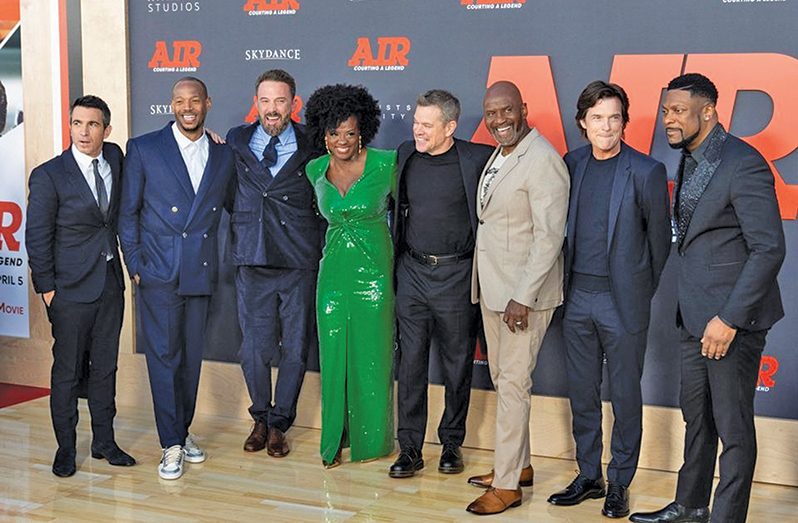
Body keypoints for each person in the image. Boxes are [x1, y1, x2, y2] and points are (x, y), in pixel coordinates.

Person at [629, 74, 786, 523]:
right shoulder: (692, 158)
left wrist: (729, 319)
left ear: (709, 112)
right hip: (693, 318)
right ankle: (691, 505)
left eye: (678, 111)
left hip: (732, 323)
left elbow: (769, 248)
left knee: (734, 430)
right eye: (665, 111)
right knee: (698, 421)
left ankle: (725, 517)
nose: (669, 120)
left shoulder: (743, 162)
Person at [546, 81, 671, 518]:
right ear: (583, 123)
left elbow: (660, 246)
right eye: (597, 117)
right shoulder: (572, 164)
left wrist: (636, 294)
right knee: (581, 392)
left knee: (624, 396)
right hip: (576, 296)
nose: (606, 125)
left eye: (614, 117)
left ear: (624, 122)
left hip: (622, 305)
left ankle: (620, 481)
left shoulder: (646, 171)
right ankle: (589, 475)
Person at [119, 77, 235, 480]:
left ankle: (181, 432)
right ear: (171, 105)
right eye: (180, 101)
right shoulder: (144, 148)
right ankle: (170, 443)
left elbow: (234, 206)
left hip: (199, 268)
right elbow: (127, 211)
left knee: (189, 359)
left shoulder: (223, 154)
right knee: (164, 358)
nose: (188, 107)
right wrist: (135, 262)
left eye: (195, 100)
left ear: (207, 103)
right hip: (158, 271)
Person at [465, 81, 569, 515]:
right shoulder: (503, 152)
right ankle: (518, 465)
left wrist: (522, 296)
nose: (498, 121)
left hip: (521, 298)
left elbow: (549, 238)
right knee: (506, 381)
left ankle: (507, 486)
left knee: (512, 385)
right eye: (491, 114)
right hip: (494, 288)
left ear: (523, 109)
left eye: (506, 111)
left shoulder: (543, 159)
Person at [26, 95, 135, 477]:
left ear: (107, 129)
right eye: (77, 123)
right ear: (70, 126)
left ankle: (104, 442)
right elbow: (36, 237)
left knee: (105, 368)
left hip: (109, 284)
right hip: (68, 290)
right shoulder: (49, 174)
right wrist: (48, 290)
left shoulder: (117, 159)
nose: (83, 132)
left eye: (92, 125)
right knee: (68, 371)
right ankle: (66, 449)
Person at [388, 89, 493, 479]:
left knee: (457, 365)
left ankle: (451, 443)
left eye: (427, 125)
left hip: (457, 276)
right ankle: (410, 449)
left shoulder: (477, 159)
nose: (417, 130)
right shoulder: (404, 155)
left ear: (450, 127)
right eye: (416, 122)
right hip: (412, 273)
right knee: (410, 365)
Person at [225, 69, 323, 457]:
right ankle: (260, 417)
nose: (272, 109)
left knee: (295, 348)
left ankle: (281, 422)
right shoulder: (234, 140)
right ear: (256, 102)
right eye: (265, 100)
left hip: (298, 256)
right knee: (253, 348)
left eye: (280, 101)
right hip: (252, 256)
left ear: (293, 104)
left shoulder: (313, 142)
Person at [303, 84, 395, 468]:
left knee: (372, 359)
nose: (342, 140)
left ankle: (371, 442)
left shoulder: (386, 164)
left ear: (363, 133)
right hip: (332, 278)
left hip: (374, 277)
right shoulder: (314, 170)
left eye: (350, 133)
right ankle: (333, 441)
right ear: (323, 135)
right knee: (333, 357)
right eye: (334, 133)